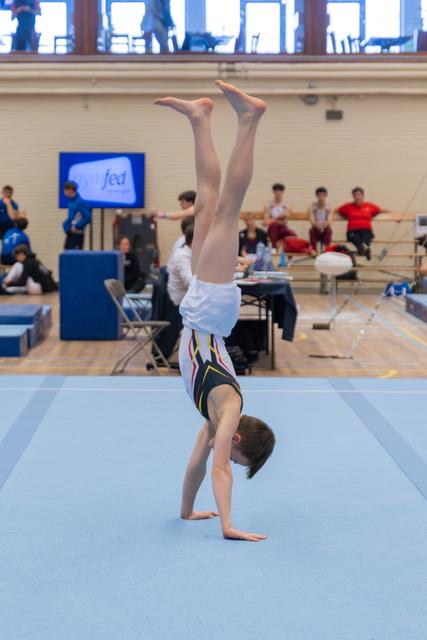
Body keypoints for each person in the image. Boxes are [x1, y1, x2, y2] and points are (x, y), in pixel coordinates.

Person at [155, 80, 275, 541]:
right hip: (209, 310)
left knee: (207, 203)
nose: (229, 453)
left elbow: (198, 465)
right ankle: (249, 118)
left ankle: (201, 117)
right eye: (241, 457)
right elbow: (220, 469)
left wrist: (188, 512)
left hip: (205, 313)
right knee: (228, 208)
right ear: (240, 440)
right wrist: (228, 524)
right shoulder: (229, 409)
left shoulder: (214, 419)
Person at [337, 187, 386, 260]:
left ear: (362, 196)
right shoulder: (348, 206)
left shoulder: (369, 206)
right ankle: (365, 249)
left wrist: (395, 215)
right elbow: (337, 210)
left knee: (367, 236)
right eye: (355, 195)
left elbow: (380, 210)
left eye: (358, 195)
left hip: (366, 229)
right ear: (353, 196)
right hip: (353, 230)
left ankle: (363, 249)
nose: (357, 197)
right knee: (354, 237)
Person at [263, 183, 296, 248]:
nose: (278, 192)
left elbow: (284, 220)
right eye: (276, 190)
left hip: (283, 228)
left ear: (283, 192)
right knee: (274, 226)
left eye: (280, 190)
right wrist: (278, 219)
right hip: (271, 229)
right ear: (273, 192)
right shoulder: (268, 205)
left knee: (293, 234)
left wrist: (273, 220)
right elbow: (266, 222)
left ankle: (289, 251)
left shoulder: (287, 205)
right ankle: (274, 247)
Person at [62, 181, 92, 250]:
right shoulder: (71, 202)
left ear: (70, 190)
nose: (64, 193)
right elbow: (71, 217)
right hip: (70, 232)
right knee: (67, 252)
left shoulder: (80, 202)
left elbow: (88, 217)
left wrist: (77, 226)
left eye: (65, 190)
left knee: (74, 255)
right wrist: (66, 225)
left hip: (77, 233)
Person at [308, 187, 333, 252]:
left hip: (325, 229)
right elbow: (312, 218)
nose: (321, 197)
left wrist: (326, 223)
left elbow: (330, 219)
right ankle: (314, 249)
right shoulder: (312, 206)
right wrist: (315, 224)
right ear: (316, 196)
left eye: (323, 195)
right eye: (319, 195)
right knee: (311, 230)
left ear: (326, 196)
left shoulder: (329, 206)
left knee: (329, 229)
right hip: (316, 229)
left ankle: (327, 248)